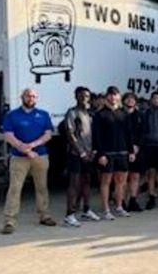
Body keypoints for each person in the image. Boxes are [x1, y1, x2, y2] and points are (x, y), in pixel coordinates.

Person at [0, 88, 56, 234]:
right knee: (15, 189)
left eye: (33, 96)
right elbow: (8, 135)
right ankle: (9, 221)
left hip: (40, 156)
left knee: (42, 187)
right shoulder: (12, 115)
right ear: (22, 97)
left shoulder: (43, 115)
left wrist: (32, 146)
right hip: (19, 158)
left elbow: (48, 134)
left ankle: (44, 215)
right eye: (28, 96)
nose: (31, 98)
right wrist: (24, 149)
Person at [93, 86, 136, 220]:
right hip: (107, 153)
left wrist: (131, 151)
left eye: (115, 94)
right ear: (107, 97)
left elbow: (129, 134)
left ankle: (119, 207)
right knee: (106, 181)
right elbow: (96, 136)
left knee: (121, 181)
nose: (113, 97)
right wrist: (100, 154)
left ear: (119, 96)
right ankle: (106, 210)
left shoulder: (124, 113)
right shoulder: (100, 114)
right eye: (110, 95)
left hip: (122, 152)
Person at [63, 87, 100, 228]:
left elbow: (94, 133)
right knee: (74, 183)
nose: (85, 98)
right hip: (76, 154)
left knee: (87, 182)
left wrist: (93, 151)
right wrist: (81, 152)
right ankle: (69, 215)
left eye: (87, 96)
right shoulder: (72, 113)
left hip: (90, 154)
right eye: (82, 96)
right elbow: (70, 134)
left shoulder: (90, 114)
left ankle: (86, 210)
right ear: (76, 97)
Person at [123, 92, 144, 212]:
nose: (130, 101)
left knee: (135, 176)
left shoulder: (140, 115)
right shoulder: (120, 115)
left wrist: (137, 146)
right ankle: (122, 202)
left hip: (137, 150)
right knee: (123, 178)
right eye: (128, 99)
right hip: (123, 150)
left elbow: (142, 132)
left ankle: (133, 200)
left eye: (132, 99)